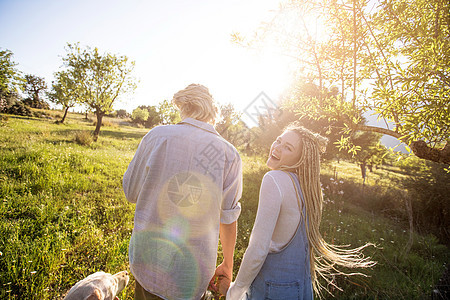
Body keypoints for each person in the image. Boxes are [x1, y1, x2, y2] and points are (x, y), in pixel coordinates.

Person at [218, 124, 375, 300]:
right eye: (279, 140)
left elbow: (258, 249)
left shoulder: (274, 179)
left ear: (300, 159)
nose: (277, 147)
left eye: (288, 147)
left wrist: (234, 292)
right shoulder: (310, 189)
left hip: (272, 290)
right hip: (302, 289)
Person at [123, 83, 242, 300]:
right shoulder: (230, 154)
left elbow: (131, 192)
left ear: (182, 106)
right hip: (192, 274)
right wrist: (227, 263)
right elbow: (228, 218)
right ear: (212, 112)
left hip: (147, 263)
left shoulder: (157, 136)